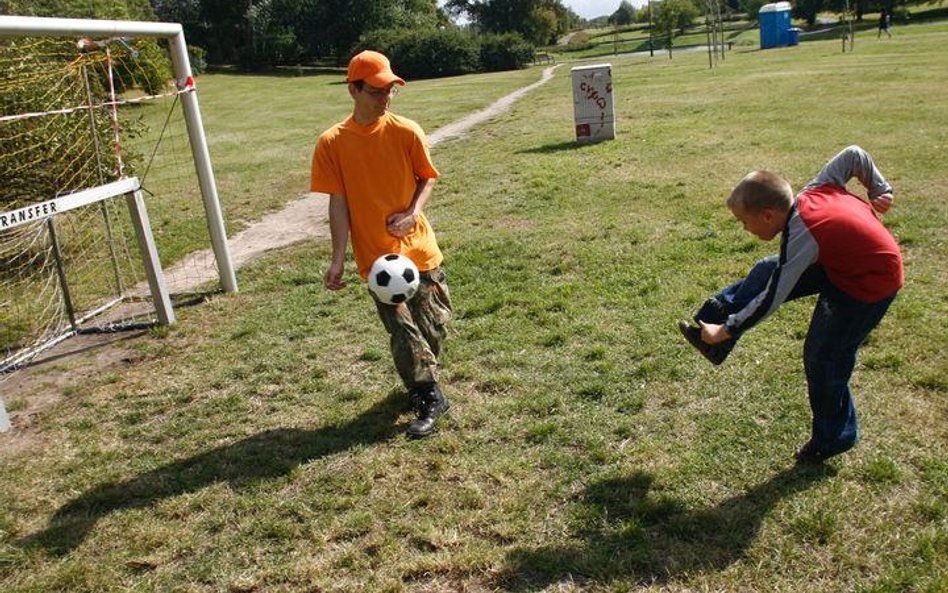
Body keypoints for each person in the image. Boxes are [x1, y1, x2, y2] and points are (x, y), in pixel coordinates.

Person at [678, 145, 902, 463]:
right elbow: (854, 155)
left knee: (823, 356)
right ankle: (710, 336)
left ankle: (834, 437)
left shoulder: (803, 234)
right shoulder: (812, 191)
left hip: (867, 283)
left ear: (767, 215)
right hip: (842, 262)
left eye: (745, 222)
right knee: (765, 269)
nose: (745, 229)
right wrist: (880, 188)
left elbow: (771, 297)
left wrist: (728, 330)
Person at [310, 50, 453, 438]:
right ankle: (428, 395)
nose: (385, 97)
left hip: (420, 250)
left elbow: (427, 177)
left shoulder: (407, 131)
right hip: (378, 261)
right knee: (404, 332)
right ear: (353, 90)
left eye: (390, 89)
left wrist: (411, 212)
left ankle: (423, 379)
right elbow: (337, 204)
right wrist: (337, 259)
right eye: (376, 91)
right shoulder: (332, 143)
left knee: (434, 328)